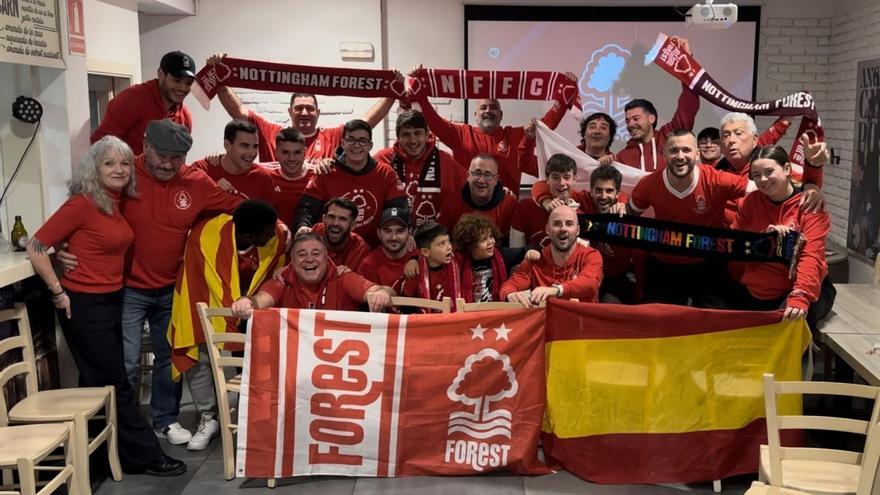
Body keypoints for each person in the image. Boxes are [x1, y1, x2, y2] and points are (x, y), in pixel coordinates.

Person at [58, 119, 243, 446]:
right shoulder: (124, 177)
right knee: (126, 362)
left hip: (173, 288)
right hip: (126, 288)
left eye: (177, 158)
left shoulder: (198, 182)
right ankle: (122, 429)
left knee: (169, 359)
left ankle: (165, 421)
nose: (169, 164)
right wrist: (62, 248)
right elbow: (82, 210)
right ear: (145, 145)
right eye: (162, 156)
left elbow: (242, 211)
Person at [27, 136, 186, 476]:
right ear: (94, 168)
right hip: (83, 305)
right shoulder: (82, 203)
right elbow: (37, 245)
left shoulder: (113, 202)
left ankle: (96, 457)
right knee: (118, 381)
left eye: (125, 163)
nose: (119, 169)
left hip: (111, 299)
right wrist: (57, 289)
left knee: (96, 381)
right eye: (109, 163)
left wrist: (65, 250)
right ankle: (145, 456)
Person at [168, 200, 286, 451]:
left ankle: (251, 414)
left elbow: (277, 268)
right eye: (267, 231)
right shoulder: (205, 236)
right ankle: (208, 417)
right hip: (204, 300)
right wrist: (231, 306)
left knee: (256, 357)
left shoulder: (275, 237)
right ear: (247, 234)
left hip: (253, 307)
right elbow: (198, 278)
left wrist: (250, 300)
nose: (273, 233)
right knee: (198, 355)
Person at [626, 129, 752, 307]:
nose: (680, 156)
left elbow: (763, 187)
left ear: (697, 154)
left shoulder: (716, 179)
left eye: (686, 150)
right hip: (664, 265)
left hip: (708, 265)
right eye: (674, 150)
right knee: (657, 323)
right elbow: (629, 215)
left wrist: (805, 190)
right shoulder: (649, 184)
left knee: (716, 323)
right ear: (664, 154)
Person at [410, 67, 576, 193]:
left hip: (506, 215)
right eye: (483, 108)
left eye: (493, 108)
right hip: (466, 212)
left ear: (501, 114)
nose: (488, 111)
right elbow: (432, 119)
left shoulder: (515, 136)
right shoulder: (460, 134)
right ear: (475, 114)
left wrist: (563, 97)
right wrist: (418, 88)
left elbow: (546, 125)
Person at [207, 53, 398, 162]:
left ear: (318, 112)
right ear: (290, 112)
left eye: (310, 108)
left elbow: (366, 123)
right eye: (299, 109)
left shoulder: (332, 135)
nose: (304, 113)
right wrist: (220, 80)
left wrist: (391, 93)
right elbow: (238, 112)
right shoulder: (271, 132)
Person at [731, 145, 833, 329]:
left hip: (799, 288)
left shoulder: (810, 204)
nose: (763, 179)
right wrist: (764, 240)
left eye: (769, 172)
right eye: (756, 175)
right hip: (758, 289)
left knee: (789, 323)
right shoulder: (751, 202)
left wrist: (800, 296)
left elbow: (812, 256)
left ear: (787, 169)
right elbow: (735, 244)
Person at [293, 119, 408, 247]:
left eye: (362, 141)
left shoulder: (385, 173)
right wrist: (303, 226)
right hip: (330, 249)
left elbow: (399, 210)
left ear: (370, 145)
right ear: (343, 143)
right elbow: (306, 209)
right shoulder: (326, 172)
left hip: (374, 250)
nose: (357, 145)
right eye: (351, 139)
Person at [230, 232, 395, 317]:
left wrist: (381, 294)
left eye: (316, 253)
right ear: (292, 261)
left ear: (326, 258)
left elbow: (383, 291)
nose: (309, 259)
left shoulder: (342, 277)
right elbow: (259, 300)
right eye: (302, 254)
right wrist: (245, 301)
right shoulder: (282, 281)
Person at [615, 38, 699, 173]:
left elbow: (689, 104)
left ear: (651, 118)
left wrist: (686, 60)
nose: (630, 124)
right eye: (627, 120)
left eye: (636, 119)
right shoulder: (622, 158)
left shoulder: (670, 136)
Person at [373, 109, 466, 227]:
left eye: (418, 133)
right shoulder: (383, 159)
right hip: (394, 236)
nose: (413, 141)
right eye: (406, 134)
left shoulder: (444, 160)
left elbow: (470, 189)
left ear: (427, 134)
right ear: (398, 136)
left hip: (433, 237)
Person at [91, 51, 196, 155]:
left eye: (188, 83)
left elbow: (179, 160)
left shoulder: (185, 117)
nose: (183, 88)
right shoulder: (133, 99)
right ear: (161, 74)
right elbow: (101, 145)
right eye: (177, 81)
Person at [500, 205, 603, 307]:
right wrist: (510, 294)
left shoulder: (591, 255)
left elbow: (590, 283)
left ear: (578, 230)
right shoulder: (535, 259)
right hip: (547, 322)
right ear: (547, 230)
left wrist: (556, 290)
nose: (563, 229)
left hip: (582, 322)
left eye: (569, 224)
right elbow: (508, 287)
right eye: (557, 224)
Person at [190, 120, 276, 202]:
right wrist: (212, 189)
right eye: (245, 146)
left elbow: (270, 216)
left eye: (255, 146)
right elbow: (185, 208)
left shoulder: (262, 176)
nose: (252, 153)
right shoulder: (201, 170)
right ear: (227, 145)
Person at [440, 154, 517, 241]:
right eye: (477, 173)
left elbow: (512, 244)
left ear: (496, 179)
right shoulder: (452, 202)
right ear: (468, 176)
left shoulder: (509, 204)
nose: (481, 180)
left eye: (487, 175)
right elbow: (440, 239)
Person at [401, 221, 461, 307]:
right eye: (442, 244)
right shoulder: (415, 273)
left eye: (448, 241)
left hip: (454, 318)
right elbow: (406, 307)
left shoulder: (457, 262)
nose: (449, 247)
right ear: (425, 252)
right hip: (426, 319)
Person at [453, 214, 511, 303]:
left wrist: (532, 252)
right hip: (469, 314)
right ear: (470, 245)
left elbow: (526, 250)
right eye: (483, 239)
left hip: (497, 312)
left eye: (491, 236)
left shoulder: (502, 256)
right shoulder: (456, 263)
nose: (490, 242)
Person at [360, 207, 417, 294]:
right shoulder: (368, 264)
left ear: (409, 232)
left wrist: (416, 259)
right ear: (379, 233)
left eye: (400, 231)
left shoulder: (421, 255)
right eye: (387, 231)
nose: (393, 237)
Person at [265, 127, 312, 229]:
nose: (291, 158)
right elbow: (237, 166)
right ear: (276, 152)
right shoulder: (264, 172)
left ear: (305, 152)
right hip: (273, 240)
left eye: (297, 152)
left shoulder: (318, 174)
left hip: (308, 240)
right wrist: (221, 159)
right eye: (285, 152)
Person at [310, 198, 370, 271]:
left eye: (342, 219)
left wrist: (350, 276)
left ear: (352, 225)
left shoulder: (359, 248)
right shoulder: (313, 234)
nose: (335, 223)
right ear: (324, 219)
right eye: (331, 217)